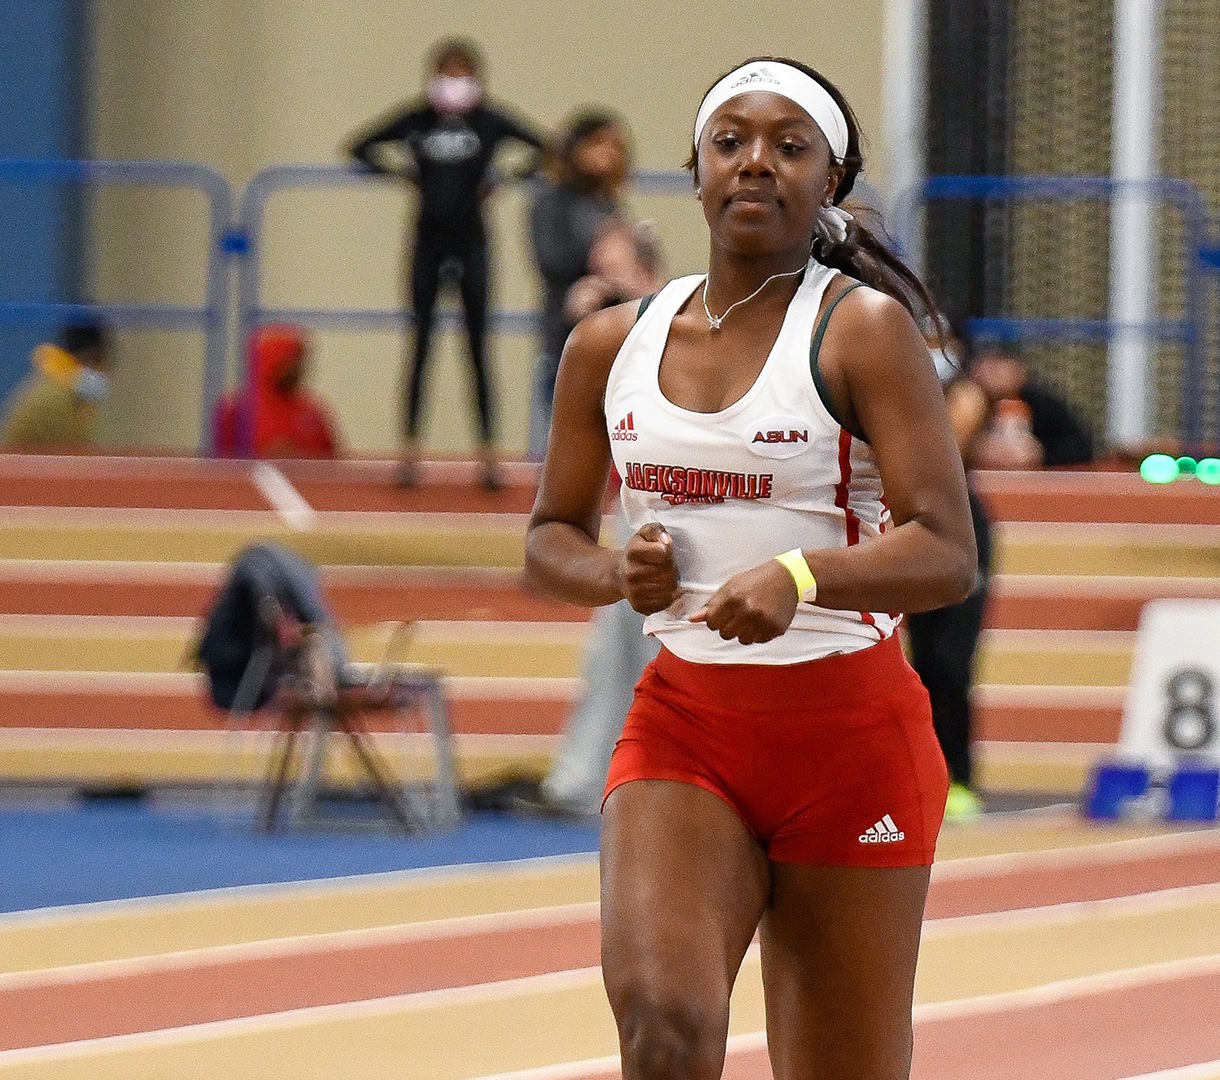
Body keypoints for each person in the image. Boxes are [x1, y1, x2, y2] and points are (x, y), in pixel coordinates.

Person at [525, 57, 976, 1080]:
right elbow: (549, 536)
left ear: (831, 179)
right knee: (663, 1024)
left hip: (850, 741)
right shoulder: (609, 344)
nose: (756, 164)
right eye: (730, 143)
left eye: (789, 146)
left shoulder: (863, 332)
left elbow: (948, 553)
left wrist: (802, 578)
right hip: (686, 729)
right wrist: (615, 575)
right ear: (695, 172)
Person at [348, 37, 545, 490]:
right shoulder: (417, 119)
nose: (454, 81)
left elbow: (545, 147)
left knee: (477, 348)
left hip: (472, 241)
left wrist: (504, 178)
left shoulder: (489, 121)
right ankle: (409, 451)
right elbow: (360, 146)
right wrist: (404, 174)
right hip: (428, 242)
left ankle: (489, 456)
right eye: (446, 72)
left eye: (463, 73)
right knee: (420, 344)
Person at [908, 331, 995, 822]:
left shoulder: (964, 394)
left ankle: (959, 776)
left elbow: (944, 450)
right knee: (920, 662)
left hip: (958, 521)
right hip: (910, 519)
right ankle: (924, 774)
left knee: (950, 662)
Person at [529, 109, 645, 458]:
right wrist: (601, 261)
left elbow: (633, 274)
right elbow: (553, 263)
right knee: (567, 453)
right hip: (566, 341)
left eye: (615, 147)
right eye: (598, 144)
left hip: (615, 345)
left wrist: (622, 274)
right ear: (575, 149)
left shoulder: (611, 206)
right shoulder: (551, 202)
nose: (607, 154)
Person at [212, 324, 343, 459]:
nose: (298, 369)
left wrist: (300, 455)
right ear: (271, 360)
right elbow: (223, 462)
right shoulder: (237, 410)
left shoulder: (312, 411)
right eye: (291, 361)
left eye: (299, 361)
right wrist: (265, 455)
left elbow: (333, 461)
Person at [963, 341, 1095, 468]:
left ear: (1020, 369)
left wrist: (1040, 453)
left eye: (1001, 364)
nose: (994, 372)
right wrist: (973, 452)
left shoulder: (1043, 405)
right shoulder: (964, 404)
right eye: (988, 365)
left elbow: (1081, 448)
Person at [0, 319, 111, 451]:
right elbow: (76, 456)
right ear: (90, 359)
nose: (105, 372)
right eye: (102, 364)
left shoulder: (53, 386)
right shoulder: (56, 398)